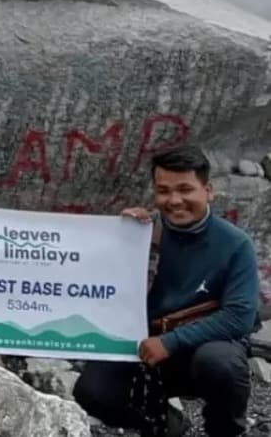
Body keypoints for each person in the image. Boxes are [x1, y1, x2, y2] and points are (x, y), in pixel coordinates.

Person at [73, 144, 260, 436]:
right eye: (163, 191)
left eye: (185, 189)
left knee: (220, 364)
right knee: (91, 392)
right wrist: (119, 238)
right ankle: (162, 424)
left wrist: (171, 342)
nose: (174, 200)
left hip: (203, 349)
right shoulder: (142, 232)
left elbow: (240, 317)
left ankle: (225, 430)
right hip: (146, 348)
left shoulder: (236, 244)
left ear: (208, 190)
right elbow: (100, 287)